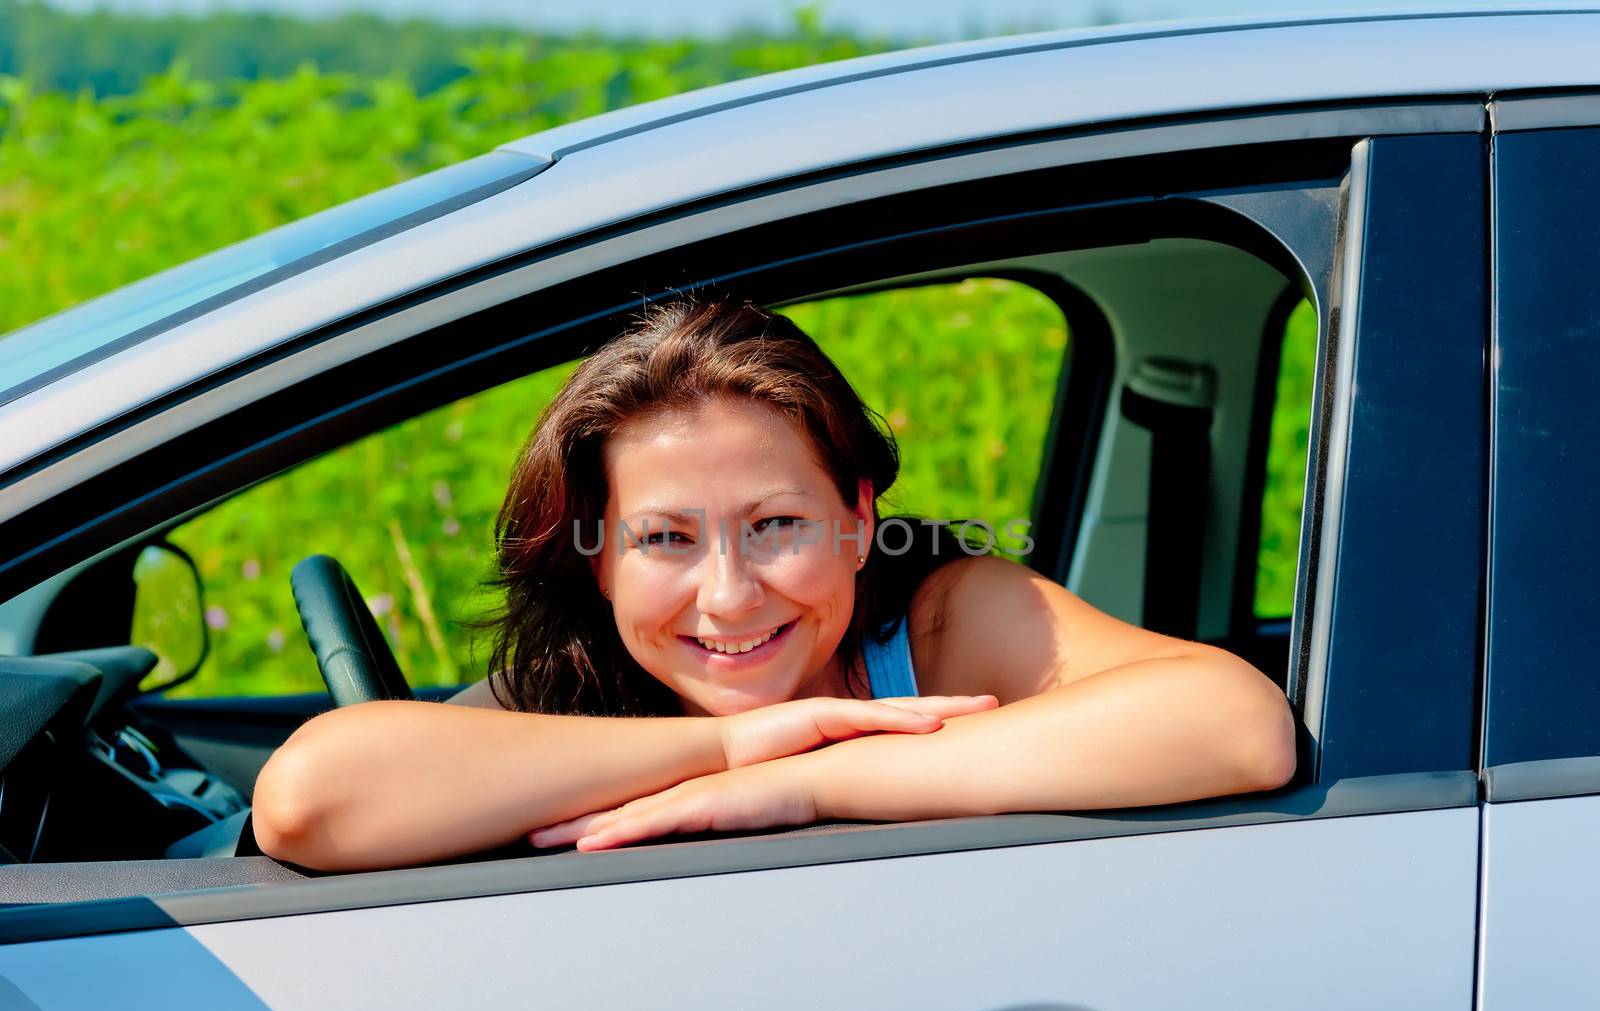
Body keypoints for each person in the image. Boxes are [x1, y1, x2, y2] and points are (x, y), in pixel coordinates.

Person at [252, 298, 1295, 872]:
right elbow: (309, 803)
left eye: (776, 527)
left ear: (856, 521)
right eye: (662, 537)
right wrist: (724, 745)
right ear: (599, 558)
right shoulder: (588, 683)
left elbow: (1233, 724)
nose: (728, 596)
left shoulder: (942, 622)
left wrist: (803, 782)